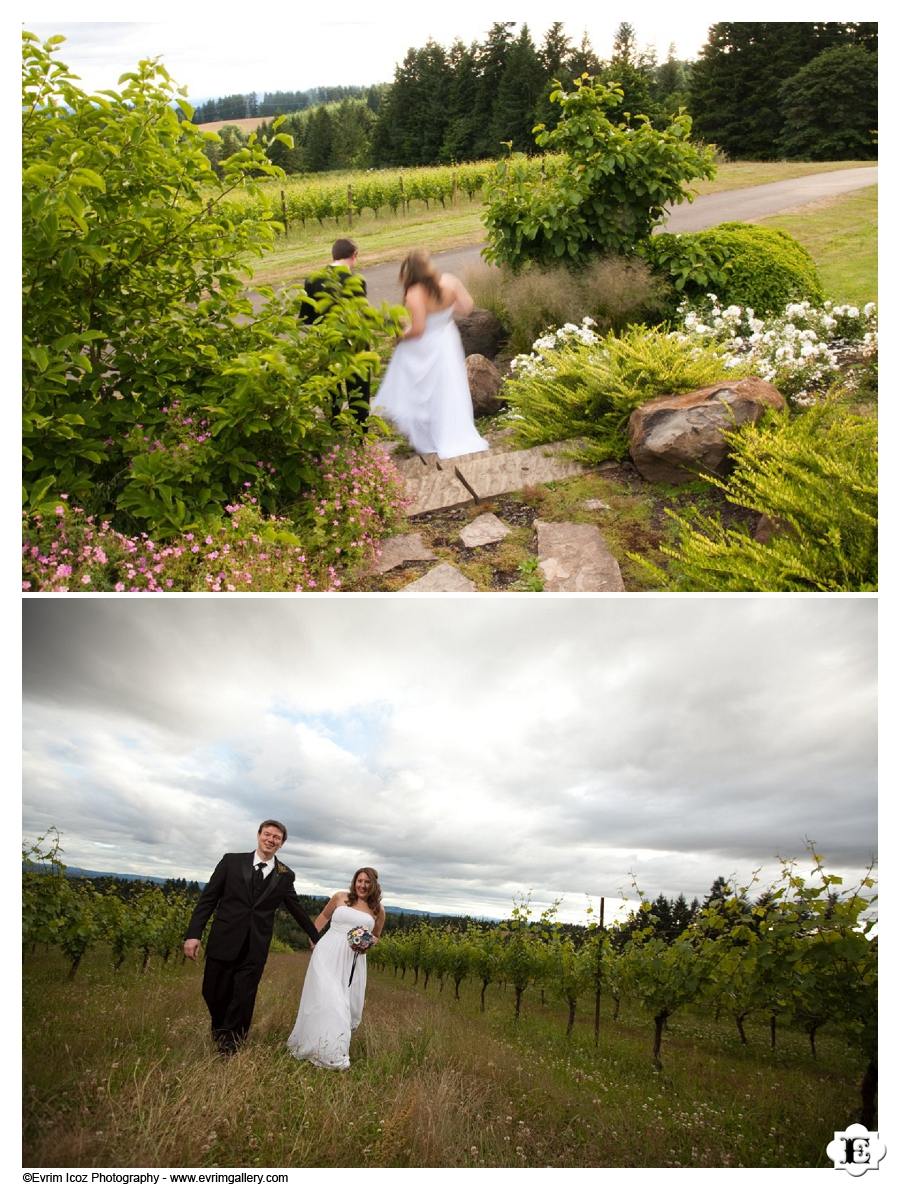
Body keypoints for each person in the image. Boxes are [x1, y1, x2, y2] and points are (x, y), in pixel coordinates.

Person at [183, 820, 319, 1055]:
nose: (271, 839)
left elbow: (295, 908)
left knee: (244, 995)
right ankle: (221, 1028)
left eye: (277, 837)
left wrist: (316, 936)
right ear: (258, 836)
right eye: (267, 834)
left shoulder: (285, 874)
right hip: (223, 939)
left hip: (256, 945)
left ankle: (231, 1044)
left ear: (282, 844)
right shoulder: (231, 861)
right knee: (212, 991)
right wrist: (193, 934)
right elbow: (208, 899)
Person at [371, 249, 489, 460]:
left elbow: (417, 329)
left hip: (425, 346)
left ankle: (429, 437)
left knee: (422, 391)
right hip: (447, 339)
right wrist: (446, 311)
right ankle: (455, 430)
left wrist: (398, 336)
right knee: (450, 387)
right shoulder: (450, 282)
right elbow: (467, 308)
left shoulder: (415, 292)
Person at [286, 866, 386, 1070]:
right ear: (354, 881)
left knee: (341, 1004)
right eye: (359, 881)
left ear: (374, 885)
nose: (363, 885)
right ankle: (321, 1049)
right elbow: (323, 917)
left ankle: (330, 1050)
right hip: (327, 953)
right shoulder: (340, 897)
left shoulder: (378, 910)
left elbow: (376, 937)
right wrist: (314, 939)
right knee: (325, 1000)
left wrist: (366, 942)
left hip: (352, 960)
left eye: (367, 882)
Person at [301, 238, 372, 428]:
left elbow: (306, 317)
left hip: (326, 341)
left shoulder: (312, 280)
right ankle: (359, 433)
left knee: (330, 386)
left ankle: (335, 428)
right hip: (353, 341)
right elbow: (361, 314)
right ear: (354, 255)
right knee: (359, 386)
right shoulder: (354, 281)